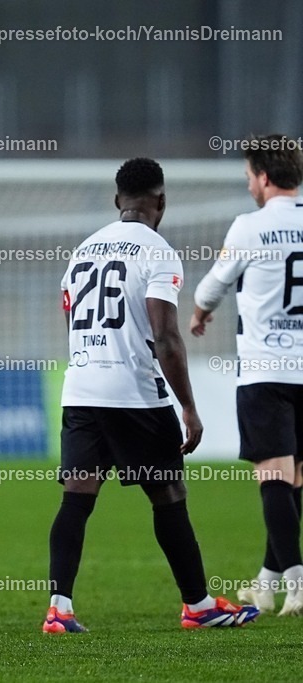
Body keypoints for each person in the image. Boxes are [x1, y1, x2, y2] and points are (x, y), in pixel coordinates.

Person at [44, 157, 259, 633]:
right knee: (167, 493)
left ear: (116, 201)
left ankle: (59, 608)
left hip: (81, 388)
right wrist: (189, 407)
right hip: (134, 393)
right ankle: (198, 605)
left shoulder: (83, 250)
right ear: (161, 202)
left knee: (77, 496)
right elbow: (165, 336)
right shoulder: (157, 251)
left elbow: (71, 322)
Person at [191, 134, 303, 616]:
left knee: (273, 478)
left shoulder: (249, 226)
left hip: (266, 370)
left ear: (264, 176)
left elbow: (213, 286)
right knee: (294, 477)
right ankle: (266, 582)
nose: (248, 184)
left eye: (248, 176)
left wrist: (199, 313)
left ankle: (297, 584)